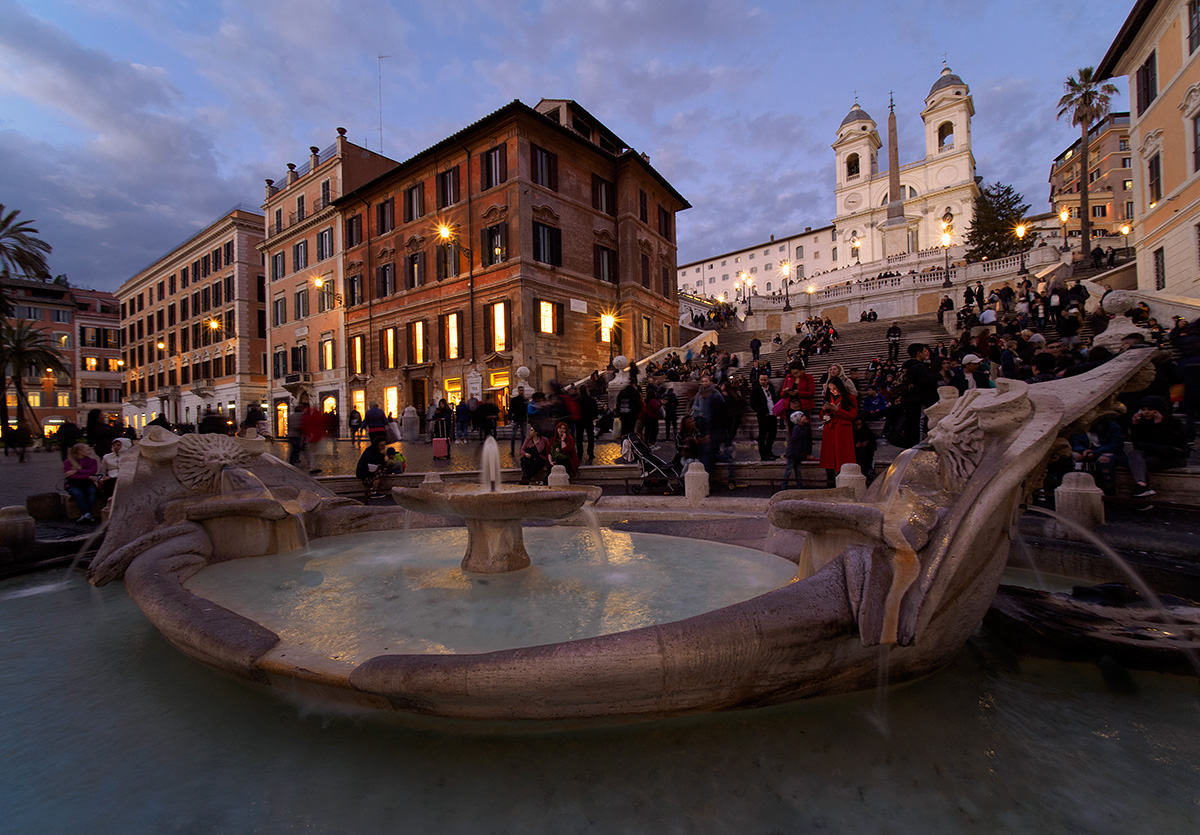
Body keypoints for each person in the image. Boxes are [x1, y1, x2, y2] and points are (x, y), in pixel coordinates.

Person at [1112, 396, 1188, 499]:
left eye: (1150, 409)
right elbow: (1137, 446)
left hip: (1172, 457)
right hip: (1151, 454)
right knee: (1134, 455)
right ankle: (1141, 486)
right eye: (1143, 409)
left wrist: (1158, 426)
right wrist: (1135, 426)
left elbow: (1165, 446)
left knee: (1139, 464)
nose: (1146, 412)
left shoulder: (1173, 422)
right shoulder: (1142, 422)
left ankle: (1142, 494)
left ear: (1158, 410)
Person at [818, 376, 857, 488]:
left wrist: (837, 410)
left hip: (843, 430)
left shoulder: (850, 398)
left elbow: (852, 416)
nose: (833, 391)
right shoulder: (829, 398)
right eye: (830, 389)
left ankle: (844, 481)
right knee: (828, 457)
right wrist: (824, 410)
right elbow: (821, 416)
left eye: (834, 388)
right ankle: (830, 481)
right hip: (830, 429)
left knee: (843, 455)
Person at [64, 442, 101, 522]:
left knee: (92, 493)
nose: (90, 451)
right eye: (87, 450)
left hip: (87, 483)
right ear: (80, 451)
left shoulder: (92, 461)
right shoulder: (68, 462)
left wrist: (77, 471)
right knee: (78, 494)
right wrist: (87, 475)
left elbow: (93, 471)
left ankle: (86, 514)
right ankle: (87, 513)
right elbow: (70, 476)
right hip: (73, 484)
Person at [749, 372, 779, 461]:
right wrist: (761, 411)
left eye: (765, 380)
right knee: (763, 434)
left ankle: (769, 450)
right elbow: (753, 404)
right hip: (763, 415)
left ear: (768, 380)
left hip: (772, 413)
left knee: (773, 433)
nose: (763, 381)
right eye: (761, 380)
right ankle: (763, 454)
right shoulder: (756, 390)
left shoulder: (771, 388)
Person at [779, 410, 812, 490]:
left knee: (797, 471)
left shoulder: (803, 427)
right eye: (802, 416)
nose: (805, 417)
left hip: (797, 453)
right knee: (789, 470)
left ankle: (799, 485)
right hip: (794, 453)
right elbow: (798, 442)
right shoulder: (798, 429)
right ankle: (784, 485)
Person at [97, 436, 131, 504]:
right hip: (109, 480)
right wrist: (100, 479)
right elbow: (102, 470)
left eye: (118, 445)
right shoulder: (107, 457)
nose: (115, 447)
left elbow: (129, 469)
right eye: (114, 445)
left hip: (124, 477)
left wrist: (111, 477)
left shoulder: (130, 457)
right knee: (109, 485)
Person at [853, 417, 878, 483]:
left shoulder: (867, 432)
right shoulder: (852, 433)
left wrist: (866, 445)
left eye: (859, 425)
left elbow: (874, 445)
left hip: (867, 455)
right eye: (855, 425)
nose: (858, 427)